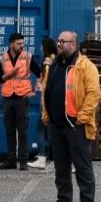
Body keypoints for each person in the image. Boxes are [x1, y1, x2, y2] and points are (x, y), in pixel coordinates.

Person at [41, 30, 101, 202]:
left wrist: (81, 118)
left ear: (73, 45)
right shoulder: (54, 65)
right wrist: (46, 114)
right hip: (56, 126)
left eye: (63, 42)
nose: (59, 44)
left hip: (76, 127)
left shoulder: (85, 66)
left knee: (83, 170)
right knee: (61, 169)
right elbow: (46, 90)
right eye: (58, 41)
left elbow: (94, 94)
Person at [0, 33, 35, 170]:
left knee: (22, 131)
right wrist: (9, 75)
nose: (21, 46)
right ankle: (11, 161)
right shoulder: (2, 58)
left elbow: (41, 73)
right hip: (8, 98)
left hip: (22, 98)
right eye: (18, 43)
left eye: (22, 43)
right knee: (10, 131)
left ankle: (23, 161)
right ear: (11, 44)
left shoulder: (27, 56)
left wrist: (34, 91)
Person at [28, 38, 58, 171]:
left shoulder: (47, 61)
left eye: (41, 46)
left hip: (46, 101)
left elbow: (44, 80)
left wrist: (38, 88)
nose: (39, 48)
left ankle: (41, 158)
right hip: (55, 101)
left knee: (41, 129)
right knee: (54, 131)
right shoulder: (57, 59)